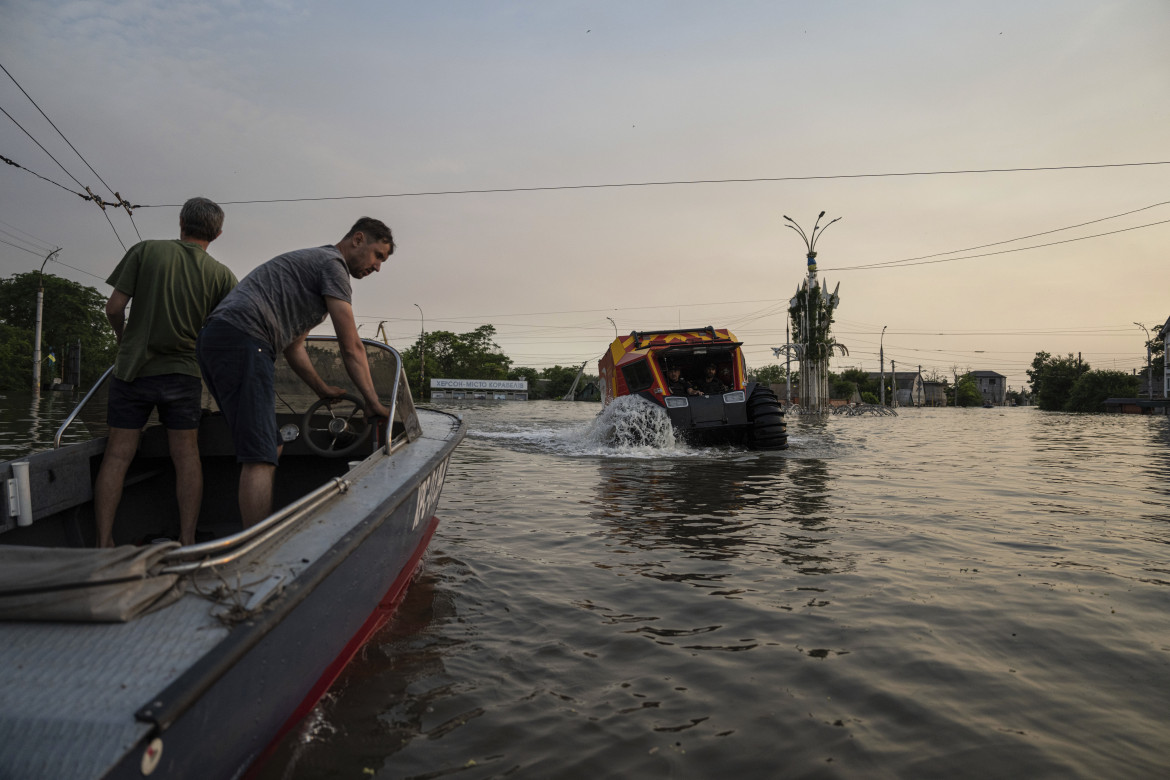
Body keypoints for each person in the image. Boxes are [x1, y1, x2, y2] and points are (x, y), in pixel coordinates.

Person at [196, 217, 394, 528]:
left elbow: (294, 346)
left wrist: (321, 389)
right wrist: (371, 402)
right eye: (378, 255)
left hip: (219, 340)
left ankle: (256, 536)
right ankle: (258, 549)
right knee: (260, 454)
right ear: (357, 240)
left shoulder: (315, 266)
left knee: (270, 443)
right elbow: (352, 346)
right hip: (244, 341)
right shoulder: (333, 266)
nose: (378, 267)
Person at [94, 197, 237, 547]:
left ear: (180, 222)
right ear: (217, 234)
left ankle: (103, 544)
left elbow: (114, 308)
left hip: (133, 372)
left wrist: (123, 339)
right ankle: (187, 540)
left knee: (117, 456)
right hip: (183, 375)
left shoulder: (145, 251)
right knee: (187, 457)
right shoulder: (222, 275)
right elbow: (227, 331)